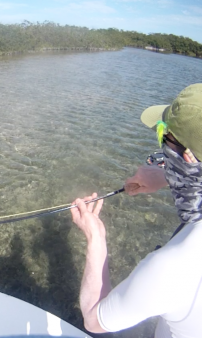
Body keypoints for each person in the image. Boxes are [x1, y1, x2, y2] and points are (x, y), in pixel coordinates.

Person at [70, 83, 202, 338]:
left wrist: (95, 238)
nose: (159, 138)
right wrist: (166, 175)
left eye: (163, 134)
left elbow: (94, 319)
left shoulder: (172, 268)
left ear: (186, 159)